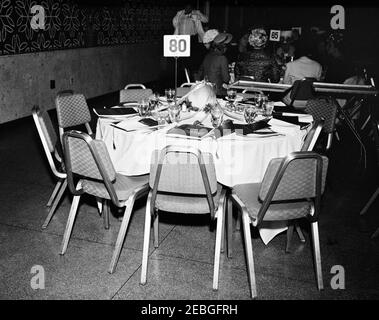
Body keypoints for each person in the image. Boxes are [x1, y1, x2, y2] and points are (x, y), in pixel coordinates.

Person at [172, 3, 209, 82]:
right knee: (183, 62)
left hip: (192, 39)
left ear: (192, 8)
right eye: (186, 7)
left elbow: (206, 20)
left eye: (189, 7)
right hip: (182, 39)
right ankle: (186, 79)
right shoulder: (180, 13)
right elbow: (174, 23)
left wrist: (197, 16)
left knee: (193, 62)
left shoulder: (196, 13)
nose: (187, 8)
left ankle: (194, 80)